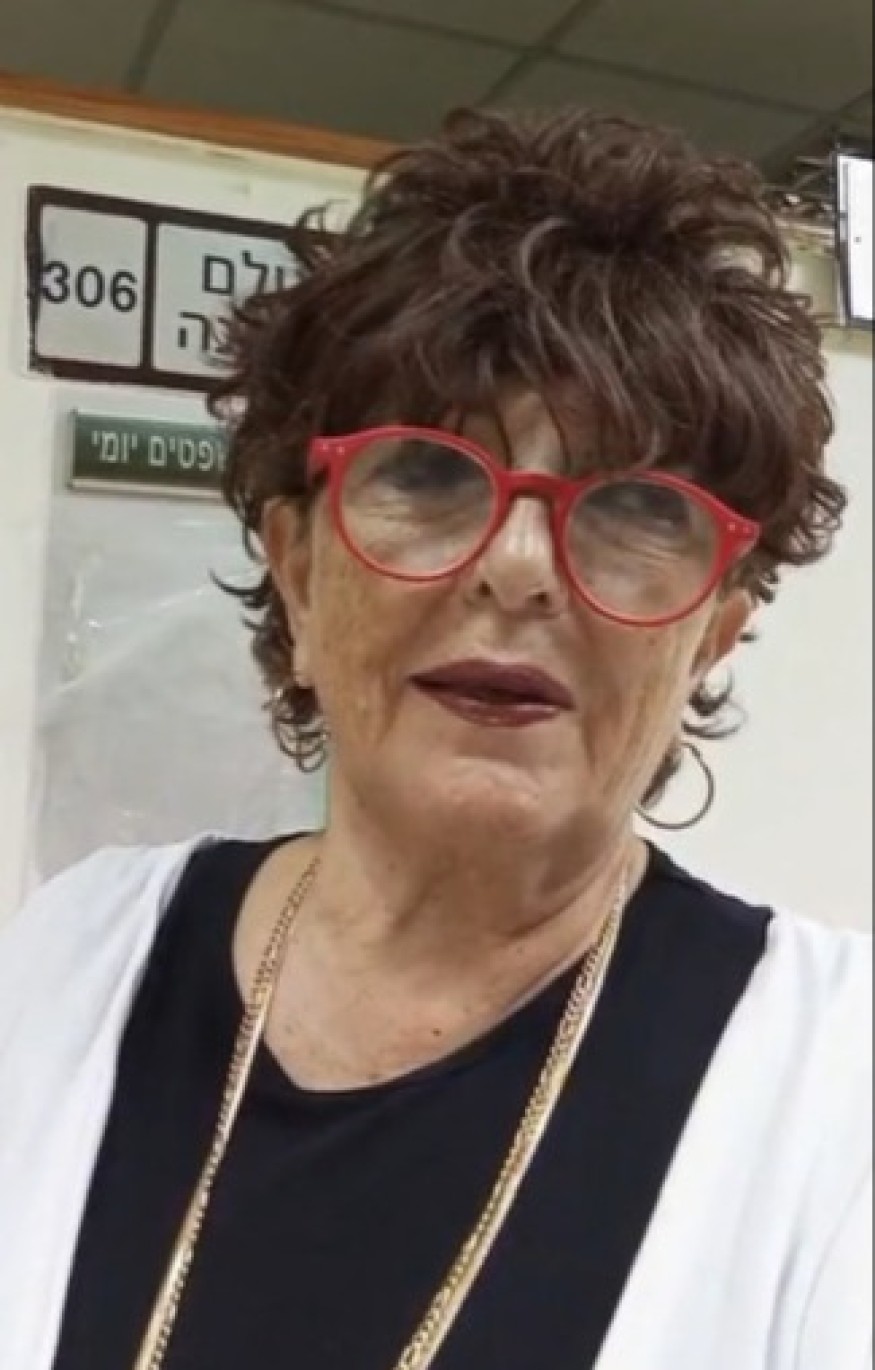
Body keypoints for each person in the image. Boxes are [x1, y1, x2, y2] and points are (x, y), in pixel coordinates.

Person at [0, 108, 870, 1370]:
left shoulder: (834, 1086)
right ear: (299, 572)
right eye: (426, 475)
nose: (518, 566)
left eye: (632, 505)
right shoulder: (68, 958)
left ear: (711, 636)